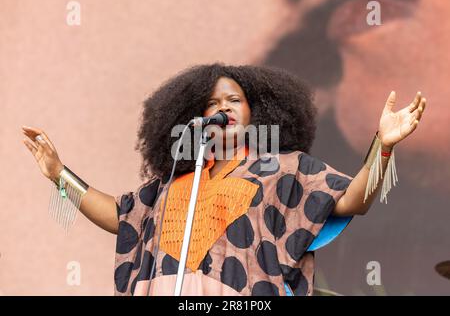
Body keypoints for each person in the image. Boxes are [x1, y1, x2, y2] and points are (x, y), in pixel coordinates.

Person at [22, 63, 426, 296]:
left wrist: (383, 146)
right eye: (211, 103)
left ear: (258, 112)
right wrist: (59, 175)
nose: (223, 108)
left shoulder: (284, 168)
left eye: (234, 101)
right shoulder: (176, 180)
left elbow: (354, 200)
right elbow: (119, 215)